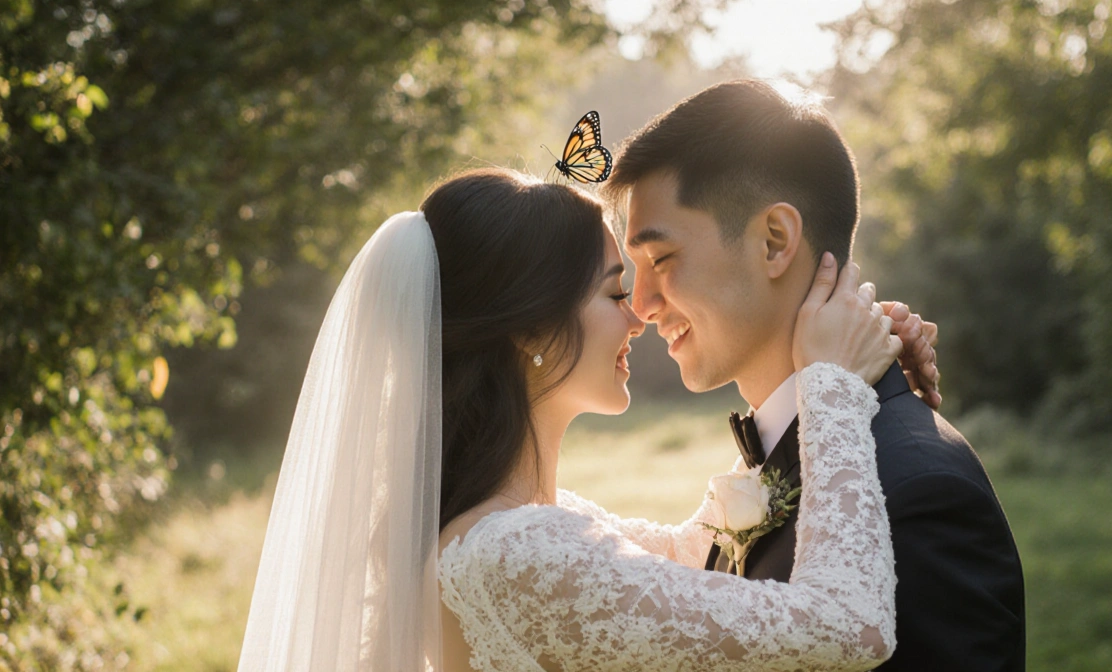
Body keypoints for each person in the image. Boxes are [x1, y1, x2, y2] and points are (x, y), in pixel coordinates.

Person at [236, 167, 941, 671]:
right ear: (532, 332)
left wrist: (830, 359)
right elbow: (849, 628)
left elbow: (699, 551)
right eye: (613, 295)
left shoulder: (518, 527)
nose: (639, 317)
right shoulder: (517, 552)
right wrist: (831, 387)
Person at [603, 79, 1026, 671]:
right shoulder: (784, 452)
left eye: (661, 260)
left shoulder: (919, 489)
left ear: (775, 241)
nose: (641, 304)